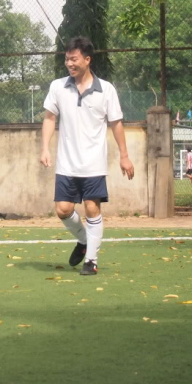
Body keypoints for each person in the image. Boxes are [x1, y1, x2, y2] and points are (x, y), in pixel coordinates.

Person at [40, 36, 134, 276]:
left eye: (74, 59)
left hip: (93, 164)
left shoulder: (106, 90)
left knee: (92, 208)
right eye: (66, 59)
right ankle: (84, 241)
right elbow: (50, 118)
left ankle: (91, 260)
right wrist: (44, 148)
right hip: (66, 164)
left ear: (87, 59)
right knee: (62, 209)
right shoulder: (58, 87)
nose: (69, 64)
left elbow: (117, 124)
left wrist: (124, 156)